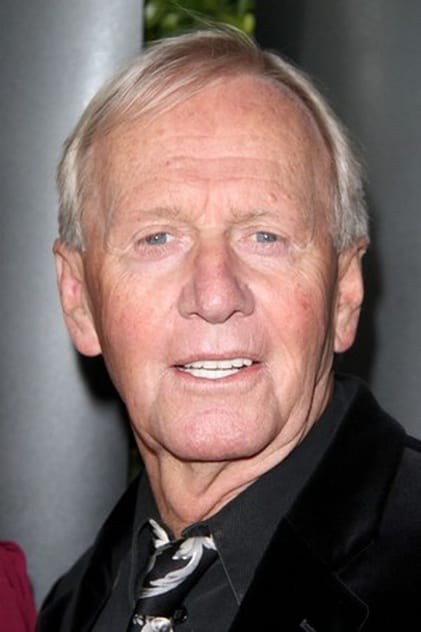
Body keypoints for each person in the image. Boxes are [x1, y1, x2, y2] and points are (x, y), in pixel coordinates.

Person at [36, 28, 421, 632]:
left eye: (265, 236)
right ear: (79, 299)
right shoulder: (72, 607)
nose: (215, 296)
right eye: (157, 238)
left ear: (344, 293)